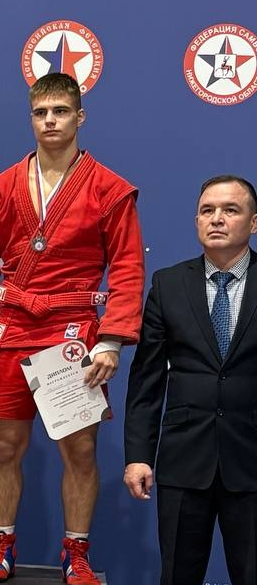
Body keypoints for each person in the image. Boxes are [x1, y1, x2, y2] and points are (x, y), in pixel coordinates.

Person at [0, 71, 144, 585]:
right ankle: (0, 549)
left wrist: (111, 340)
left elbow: (127, 269)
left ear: (80, 117)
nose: (50, 121)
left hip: (74, 336)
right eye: (40, 112)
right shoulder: (2, 187)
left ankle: (76, 554)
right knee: (4, 448)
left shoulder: (110, 189)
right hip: (12, 330)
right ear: (30, 118)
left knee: (80, 451)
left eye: (60, 111)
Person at [124, 175, 257, 585]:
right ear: (197, 220)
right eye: (207, 211)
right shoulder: (168, 284)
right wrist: (138, 455)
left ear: (253, 223)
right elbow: (146, 380)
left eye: (230, 210)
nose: (216, 219)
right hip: (183, 462)